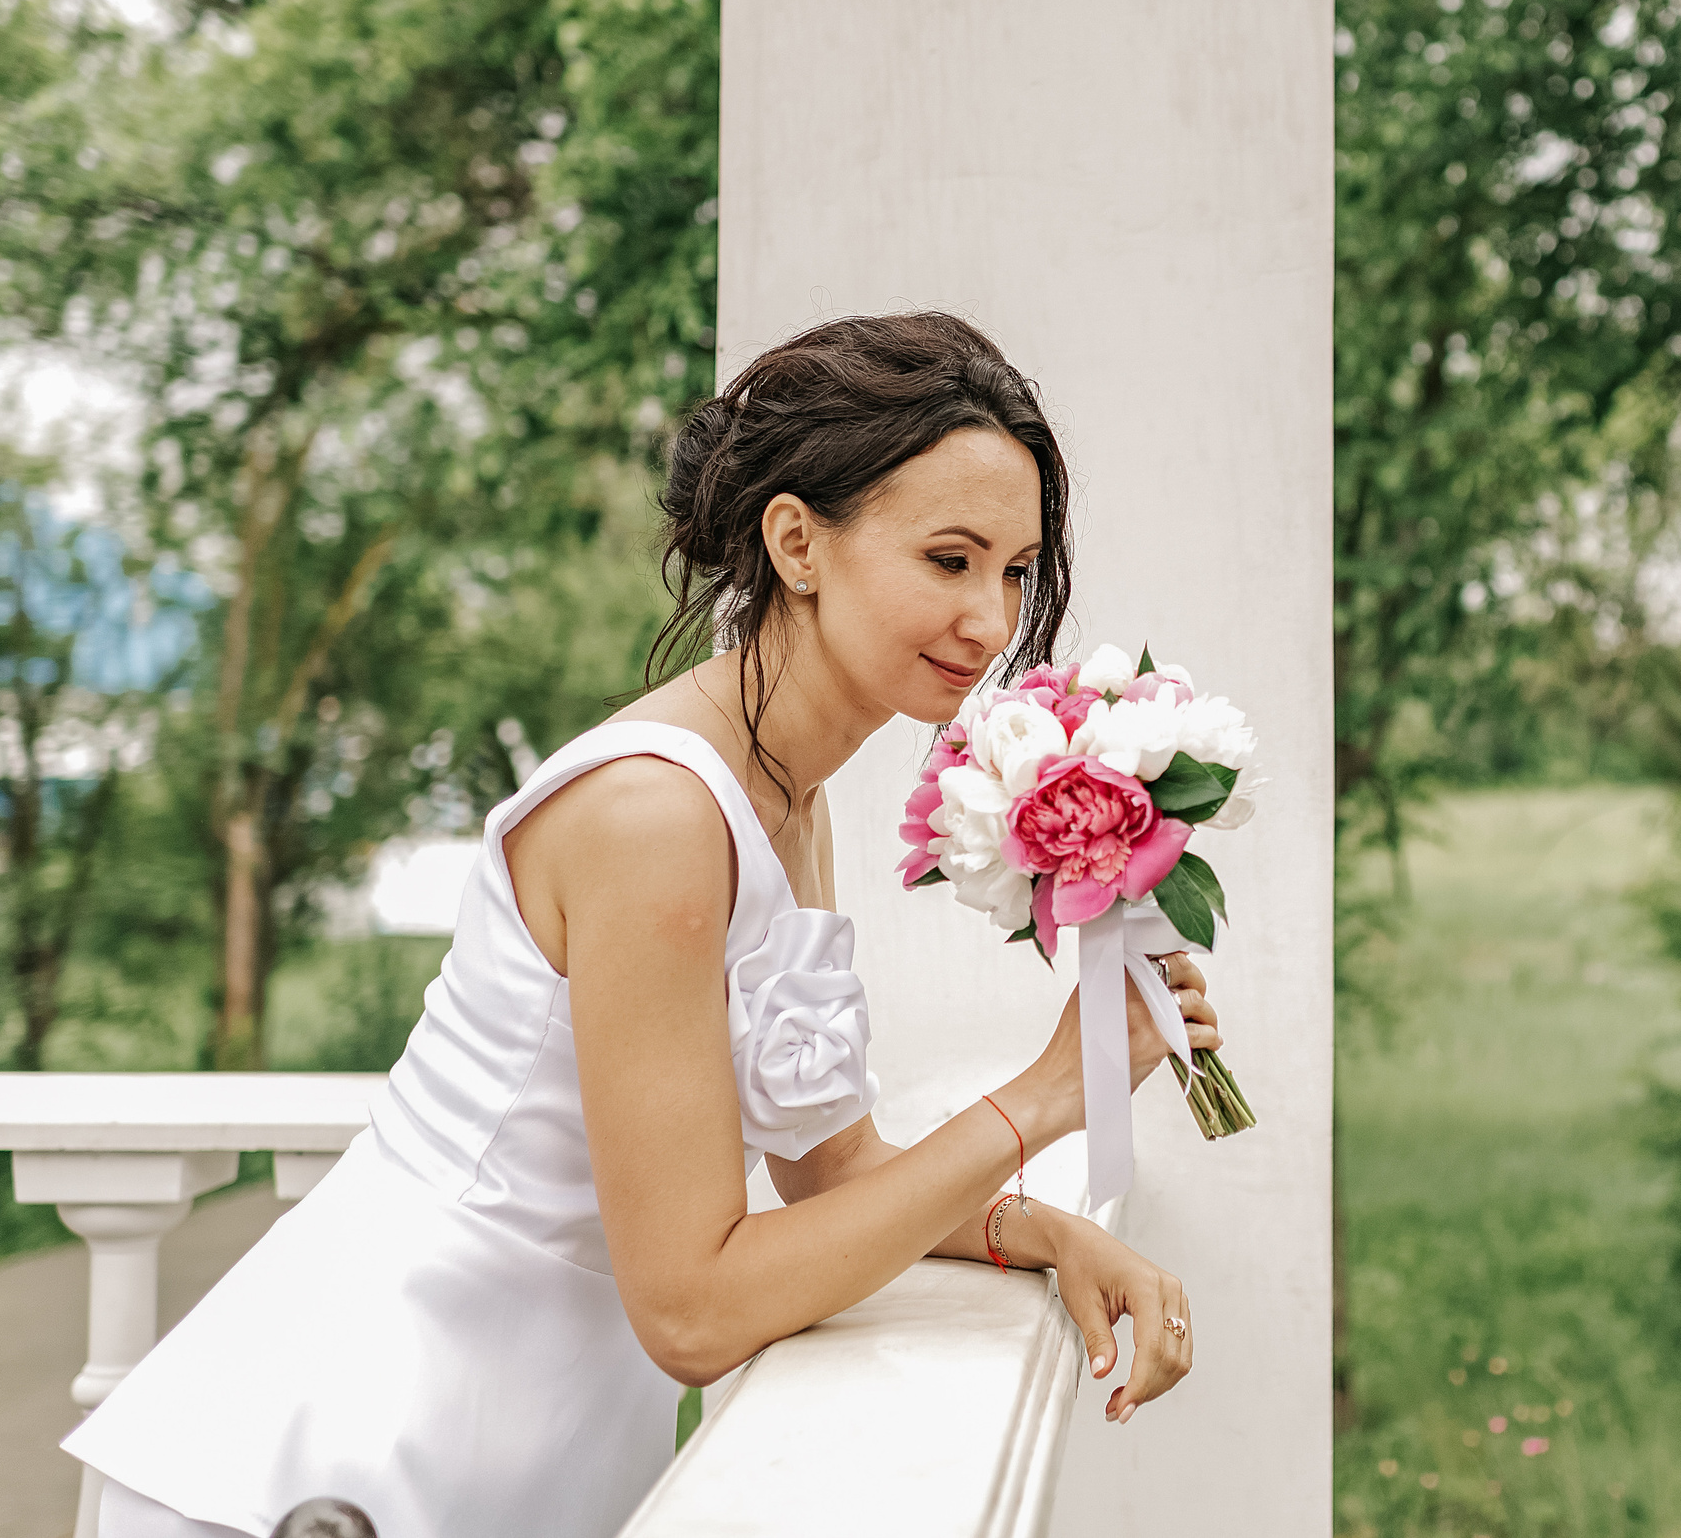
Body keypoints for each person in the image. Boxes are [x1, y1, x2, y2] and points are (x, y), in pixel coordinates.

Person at [66, 313, 1218, 1538]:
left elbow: (831, 1166)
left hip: (512, 1457)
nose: (991, 620)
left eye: (1018, 570)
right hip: (328, 1461)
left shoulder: (788, 797)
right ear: (796, 543)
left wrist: (1045, 1237)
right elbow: (694, 1312)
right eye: (950, 559)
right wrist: (1041, 1097)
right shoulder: (656, 816)